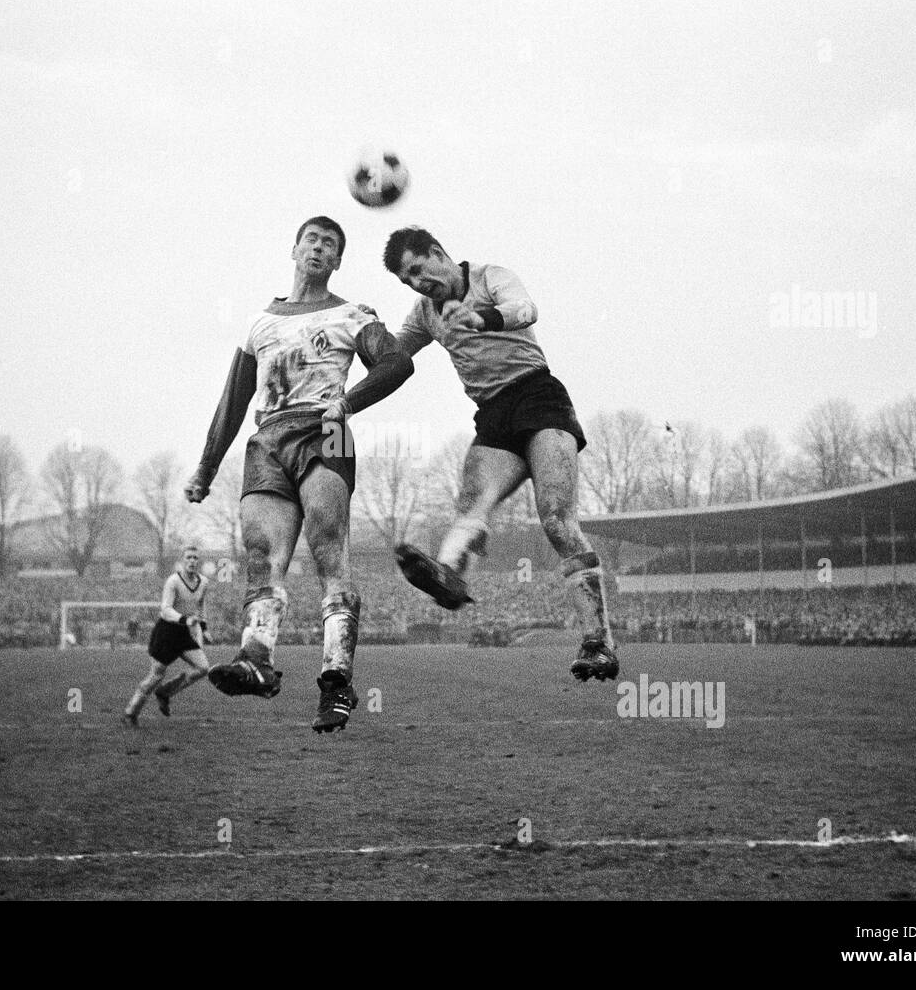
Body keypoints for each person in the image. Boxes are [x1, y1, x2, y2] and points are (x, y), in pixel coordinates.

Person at [184, 216, 414, 732]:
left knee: (328, 544)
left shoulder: (353, 314)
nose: (319, 247)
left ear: (336, 261)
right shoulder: (261, 322)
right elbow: (233, 400)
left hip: (327, 429)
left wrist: (348, 402)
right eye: (312, 239)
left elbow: (398, 363)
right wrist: (206, 466)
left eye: (330, 244)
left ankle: (336, 683)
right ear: (293, 250)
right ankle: (257, 660)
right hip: (268, 439)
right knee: (262, 556)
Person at [381, 226, 618, 683]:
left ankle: (599, 642)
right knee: (472, 500)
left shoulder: (490, 277)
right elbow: (394, 355)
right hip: (492, 414)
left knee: (555, 518)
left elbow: (525, 309)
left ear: (437, 253)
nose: (415, 283)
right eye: (406, 281)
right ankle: (449, 578)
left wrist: (480, 318)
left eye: (416, 270)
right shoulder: (424, 313)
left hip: (539, 397)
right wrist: (359, 338)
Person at [124, 546, 212, 724]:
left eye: (195, 558)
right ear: (182, 561)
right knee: (156, 675)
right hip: (165, 634)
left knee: (203, 668)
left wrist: (204, 628)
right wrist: (185, 619)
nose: (192, 561)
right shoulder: (173, 581)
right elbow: (165, 610)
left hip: (183, 634)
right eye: (188, 557)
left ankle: (165, 692)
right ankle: (131, 713)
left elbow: (200, 607)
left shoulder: (203, 582)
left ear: (199, 562)